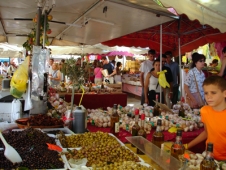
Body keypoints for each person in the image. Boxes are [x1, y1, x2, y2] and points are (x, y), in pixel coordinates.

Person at [185, 76, 226, 161]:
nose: (209, 97)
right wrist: (186, 146)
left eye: (213, 93)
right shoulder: (205, 110)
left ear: (224, 93)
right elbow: (207, 132)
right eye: (206, 93)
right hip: (209, 157)